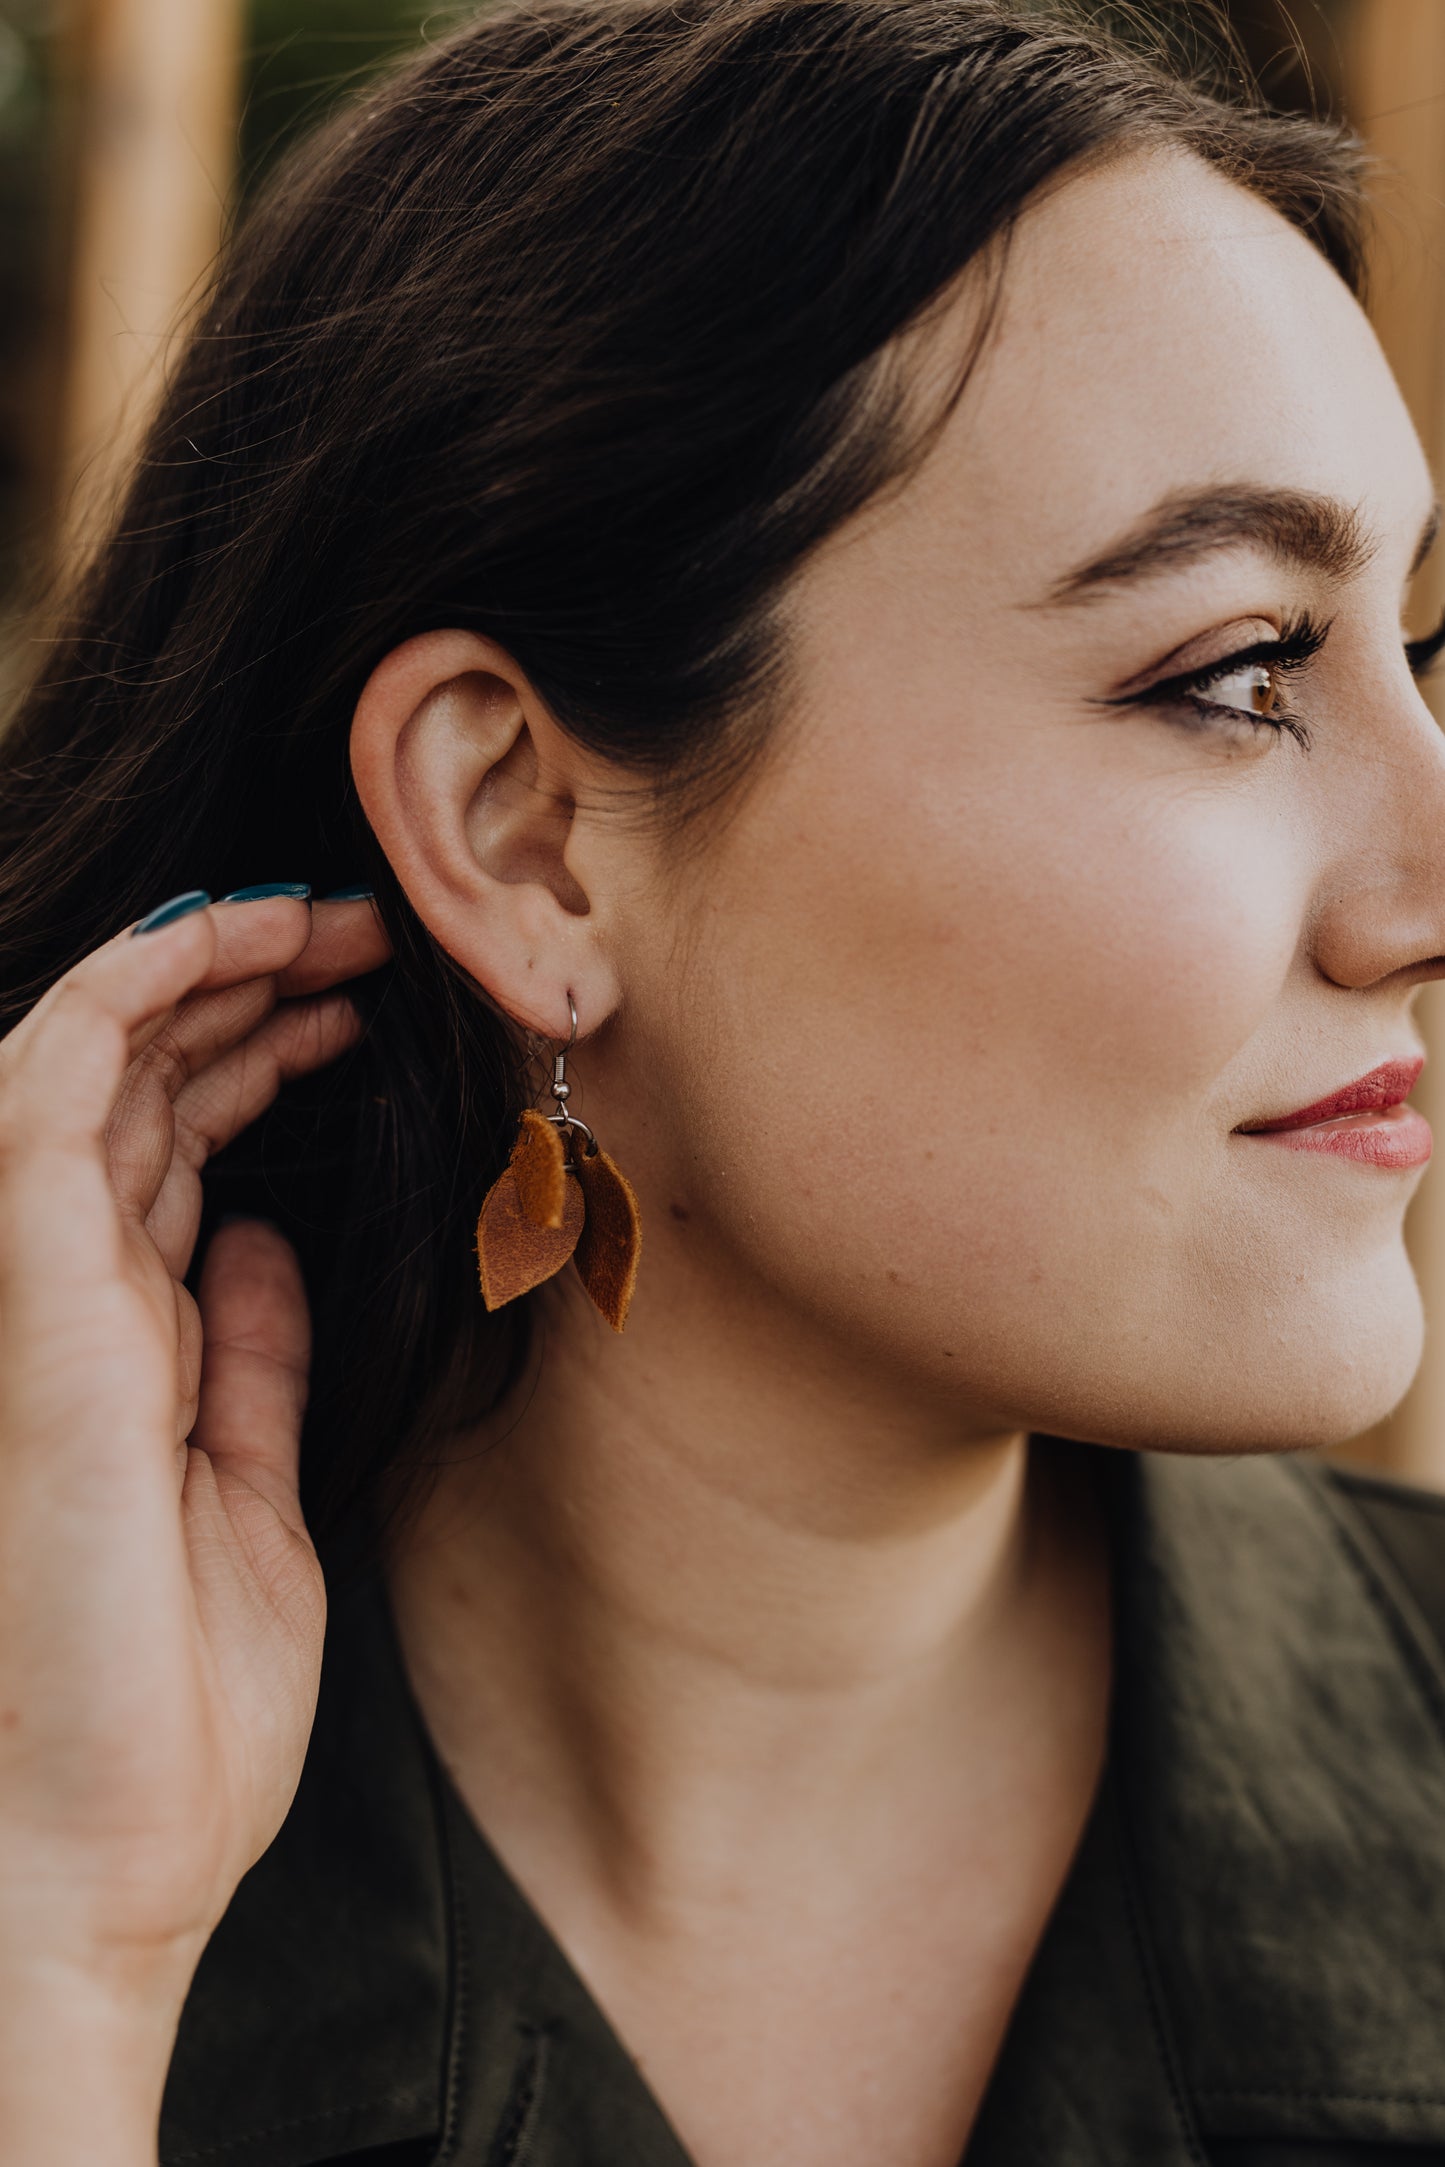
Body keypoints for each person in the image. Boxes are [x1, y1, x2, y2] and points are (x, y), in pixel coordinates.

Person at [4, 1, 1445, 2161]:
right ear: (527, 835)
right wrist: (57, 1960)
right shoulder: (67, 1841)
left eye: (1417, 657)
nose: (1428, 876)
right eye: (1237, 673)